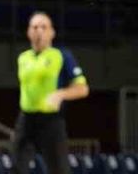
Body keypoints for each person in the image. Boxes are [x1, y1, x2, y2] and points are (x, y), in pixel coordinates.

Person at [12, 12, 88, 174]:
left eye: (44, 27)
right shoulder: (23, 58)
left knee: (59, 170)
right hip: (26, 120)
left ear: (52, 32)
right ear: (28, 32)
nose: (39, 30)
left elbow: (82, 89)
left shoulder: (62, 55)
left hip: (51, 121)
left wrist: (59, 94)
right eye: (34, 27)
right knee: (17, 168)